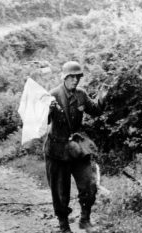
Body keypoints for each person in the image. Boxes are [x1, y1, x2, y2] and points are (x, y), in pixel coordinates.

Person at [44, 61, 106, 233]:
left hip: (77, 147)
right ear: (64, 77)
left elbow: (95, 110)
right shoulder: (53, 95)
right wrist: (48, 110)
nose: (75, 80)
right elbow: (44, 122)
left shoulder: (81, 94)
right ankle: (64, 226)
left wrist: (102, 98)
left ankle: (85, 219)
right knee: (60, 191)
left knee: (89, 185)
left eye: (77, 77)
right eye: (71, 77)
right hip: (57, 149)